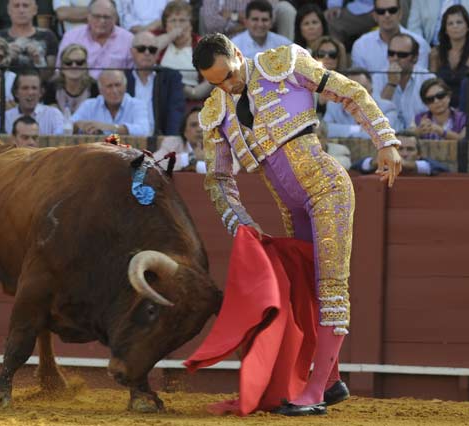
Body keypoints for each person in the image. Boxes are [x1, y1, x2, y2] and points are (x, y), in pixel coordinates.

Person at [191, 33, 401, 416]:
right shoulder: (215, 109)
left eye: (230, 75)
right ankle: (332, 381)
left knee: (331, 287)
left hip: (329, 191)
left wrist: (385, 140)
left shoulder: (282, 64)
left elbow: (348, 90)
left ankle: (316, 391)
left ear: (238, 55)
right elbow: (218, 179)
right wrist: (244, 226)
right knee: (306, 291)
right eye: (216, 81)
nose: (227, 85)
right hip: (293, 208)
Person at [125, 31, 184, 136]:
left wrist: (171, 139)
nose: (147, 53)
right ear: (132, 52)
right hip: (129, 139)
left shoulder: (171, 77)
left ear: (157, 54)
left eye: (152, 50)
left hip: (160, 139)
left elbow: (175, 112)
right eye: (141, 49)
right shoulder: (122, 78)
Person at [55, 0, 133, 79]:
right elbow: (60, 71)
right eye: (97, 16)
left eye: (106, 17)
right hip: (82, 88)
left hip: (114, 88)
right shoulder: (71, 37)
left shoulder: (128, 39)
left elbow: (134, 75)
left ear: (115, 18)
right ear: (88, 16)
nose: (102, 21)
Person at [154, 0, 211, 102]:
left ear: (191, 24)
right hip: (162, 98)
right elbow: (150, 51)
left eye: (182, 20)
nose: (177, 25)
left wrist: (192, 92)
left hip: (192, 99)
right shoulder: (161, 40)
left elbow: (210, 80)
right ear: (165, 25)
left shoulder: (202, 45)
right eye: (173, 21)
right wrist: (171, 35)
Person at [376, 33, 435, 130]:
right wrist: (391, 84)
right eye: (391, 53)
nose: (395, 58)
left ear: (415, 58)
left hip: (420, 137)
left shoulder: (428, 78)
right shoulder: (377, 78)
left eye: (402, 55)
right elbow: (375, 115)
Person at [0, 0, 59, 81]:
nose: (21, 10)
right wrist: (6, 58)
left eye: (26, 6)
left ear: (35, 10)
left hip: (37, 90)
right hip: (4, 88)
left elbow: (50, 76)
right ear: (9, 10)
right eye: (16, 6)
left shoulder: (48, 36)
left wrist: (38, 61)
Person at [71, 69, 149, 136]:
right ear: (100, 90)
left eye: (118, 85)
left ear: (125, 87)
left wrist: (109, 127)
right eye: (109, 86)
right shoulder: (89, 105)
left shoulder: (137, 104)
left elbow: (144, 130)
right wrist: (78, 126)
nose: (114, 90)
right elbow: (65, 128)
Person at [429, 5, 469, 108]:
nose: (455, 26)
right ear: (446, 29)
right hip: (441, 107)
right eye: (450, 23)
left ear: (468, 27)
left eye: (459, 22)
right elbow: (431, 84)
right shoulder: (436, 53)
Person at [352, 133, 450, 175]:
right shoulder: (382, 163)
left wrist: (405, 164)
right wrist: (374, 162)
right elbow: (355, 167)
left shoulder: (428, 166)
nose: (404, 154)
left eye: (410, 149)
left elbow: (443, 170)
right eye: (399, 149)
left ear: (419, 155)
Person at [5, 68, 65, 135]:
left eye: (34, 88)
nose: (30, 92)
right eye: (25, 88)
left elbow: (62, 143)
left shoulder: (53, 115)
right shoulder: (6, 118)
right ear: (16, 93)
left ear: (41, 92)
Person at [42, 43, 98, 113]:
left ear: (86, 66)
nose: (74, 66)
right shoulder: (52, 87)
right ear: (62, 67)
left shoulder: (94, 87)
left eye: (79, 62)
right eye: (68, 63)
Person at [153, 106, 207, 173]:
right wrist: (191, 157)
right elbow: (154, 163)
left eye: (204, 125)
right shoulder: (172, 143)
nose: (199, 129)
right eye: (193, 125)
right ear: (185, 132)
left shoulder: (220, 146)